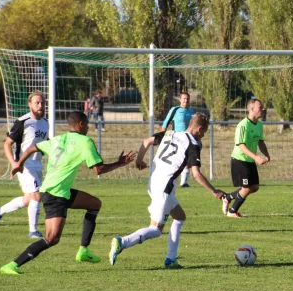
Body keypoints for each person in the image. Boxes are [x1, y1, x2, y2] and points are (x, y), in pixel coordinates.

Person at [0, 111, 135, 275]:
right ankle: (13, 265)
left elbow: (32, 148)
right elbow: (98, 169)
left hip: (55, 190)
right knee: (52, 238)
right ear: (80, 125)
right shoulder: (84, 141)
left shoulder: (58, 139)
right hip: (56, 194)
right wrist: (120, 164)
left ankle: (83, 251)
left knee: (94, 204)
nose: (88, 128)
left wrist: (19, 163)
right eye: (87, 125)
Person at [109, 113, 225, 268]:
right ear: (199, 129)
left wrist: (139, 160)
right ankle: (122, 242)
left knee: (179, 217)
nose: (203, 136)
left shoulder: (171, 133)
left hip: (154, 182)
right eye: (203, 133)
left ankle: (171, 260)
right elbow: (196, 174)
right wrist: (214, 191)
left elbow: (147, 141)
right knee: (155, 230)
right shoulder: (193, 145)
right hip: (164, 188)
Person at [0, 91, 49, 238]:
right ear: (30, 105)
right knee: (36, 196)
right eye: (37, 103)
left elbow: (43, 144)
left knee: (28, 199)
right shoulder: (23, 122)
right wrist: (14, 163)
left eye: (42, 102)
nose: (40, 105)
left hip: (37, 164)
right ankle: (33, 231)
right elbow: (7, 144)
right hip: (24, 165)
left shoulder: (45, 122)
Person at [221, 98, 270, 218]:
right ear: (252, 109)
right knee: (246, 188)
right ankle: (232, 211)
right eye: (260, 107)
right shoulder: (243, 125)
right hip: (239, 160)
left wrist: (267, 155)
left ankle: (227, 197)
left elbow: (260, 142)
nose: (263, 109)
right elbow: (241, 146)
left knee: (254, 187)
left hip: (250, 160)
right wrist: (256, 157)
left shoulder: (259, 125)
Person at [161, 92, 195, 187]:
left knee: (187, 160)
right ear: (180, 100)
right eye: (184, 98)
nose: (186, 100)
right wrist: (162, 136)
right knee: (175, 161)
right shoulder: (175, 110)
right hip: (176, 139)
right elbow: (166, 123)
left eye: (187, 98)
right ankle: (168, 180)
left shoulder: (191, 112)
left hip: (188, 139)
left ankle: (183, 182)